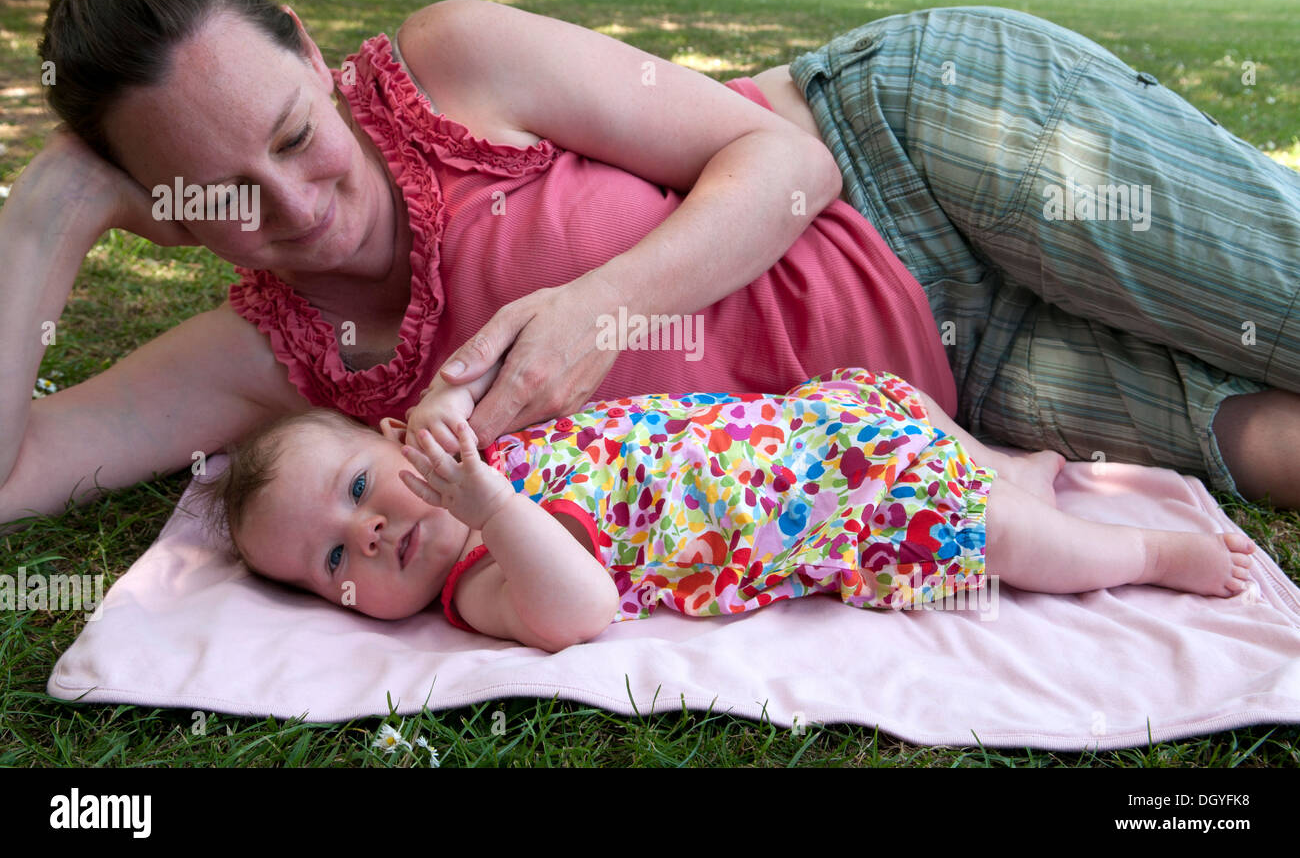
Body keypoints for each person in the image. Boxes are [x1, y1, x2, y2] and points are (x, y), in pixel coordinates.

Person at [3, 0, 1299, 537]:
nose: (292, 210)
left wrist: (600, 312)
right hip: (957, 387)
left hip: (925, 159)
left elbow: (790, 161)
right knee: (1278, 450)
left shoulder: (456, 65)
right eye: (218, 195)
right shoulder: (264, 355)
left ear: (309, 49)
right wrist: (48, 212)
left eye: (294, 135)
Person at [188, 365, 1256, 652]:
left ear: (395, 442)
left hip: (812, 427)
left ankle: (1010, 462)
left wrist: (458, 430)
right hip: (842, 509)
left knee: (916, 412)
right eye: (336, 561)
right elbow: (580, 607)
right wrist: (489, 502)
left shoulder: (475, 447)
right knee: (1007, 541)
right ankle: (1144, 553)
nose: (368, 534)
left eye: (360, 491)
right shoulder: (482, 585)